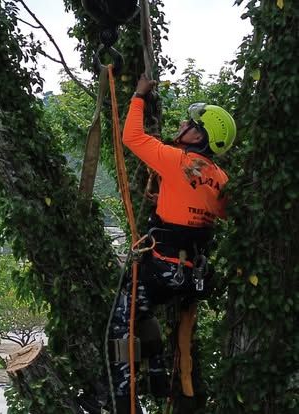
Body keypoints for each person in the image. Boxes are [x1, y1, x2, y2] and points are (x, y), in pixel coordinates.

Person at [107, 74, 236, 414]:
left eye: (190, 123)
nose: (183, 124)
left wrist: (138, 95)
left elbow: (131, 137)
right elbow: (213, 209)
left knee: (124, 321)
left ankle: (123, 398)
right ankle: (159, 373)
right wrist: (167, 194)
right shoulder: (221, 178)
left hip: (160, 266)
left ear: (199, 136)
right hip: (190, 274)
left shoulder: (176, 161)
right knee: (144, 306)